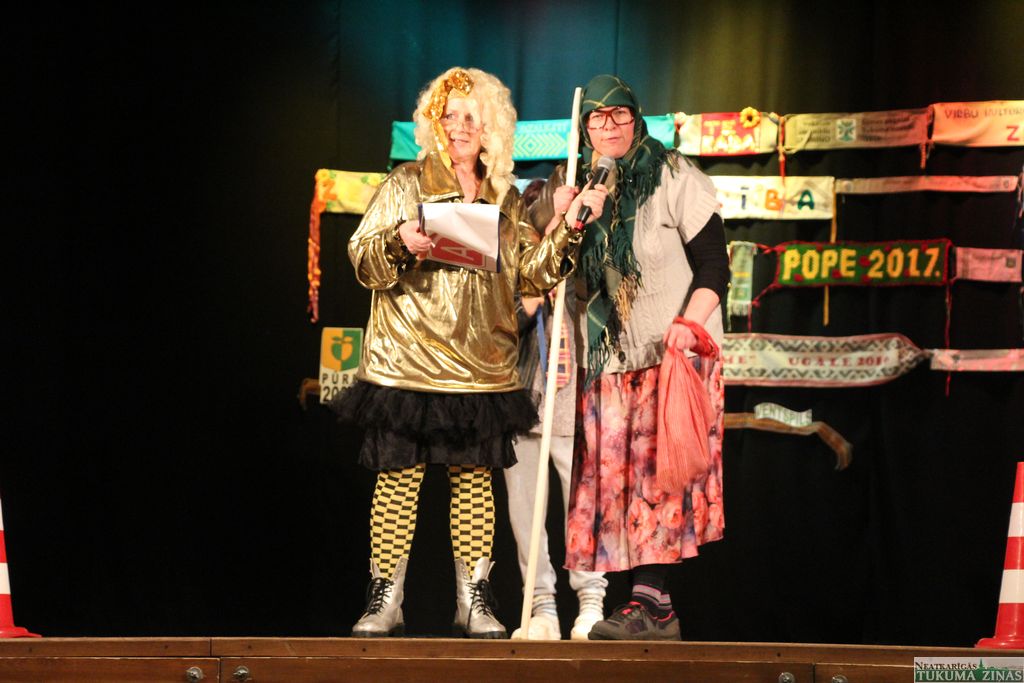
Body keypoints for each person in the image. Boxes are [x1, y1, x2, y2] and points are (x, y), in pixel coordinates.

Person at [333, 67, 606, 639]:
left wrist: (572, 225)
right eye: (449, 116)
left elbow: (534, 273)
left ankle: (474, 598)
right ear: (433, 123)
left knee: (474, 485)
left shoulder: (505, 200)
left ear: (489, 130)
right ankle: (386, 598)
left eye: (471, 119)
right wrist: (399, 242)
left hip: (479, 367)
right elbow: (361, 258)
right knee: (397, 481)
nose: (459, 127)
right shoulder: (407, 182)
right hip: (409, 361)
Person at [534, 75, 729, 641]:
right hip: (611, 363)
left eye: (619, 114)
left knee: (658, 481)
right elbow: (545, 274)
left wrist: (690, 325)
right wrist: (566, 221)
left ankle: (650, 603)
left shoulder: (673, 174)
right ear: (584, 130)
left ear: (636, 118)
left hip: (672, 355)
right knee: (617, 487)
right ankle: (650, 608)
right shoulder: (582, 186)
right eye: (597, 118)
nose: (609, 126)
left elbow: (715, 265)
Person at [503, 182, 608, 641]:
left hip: (573, 402)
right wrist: (532, 293)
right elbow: (501, 323)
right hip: (524, 402)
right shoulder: (518, 262)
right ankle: (540, 605)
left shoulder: (586, 257)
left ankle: (591, 601)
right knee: (526, 512)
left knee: (583, 507)